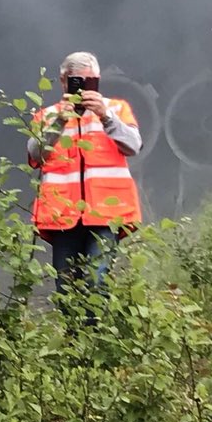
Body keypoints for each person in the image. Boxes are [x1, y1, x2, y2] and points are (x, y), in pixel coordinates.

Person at [27, 51, 142, 293]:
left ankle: (97, 331)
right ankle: (75, 332)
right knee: (65, 288)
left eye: (90, 82)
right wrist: (60, 119)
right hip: (62, 215)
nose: (84, 88)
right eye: (77, 81)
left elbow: (134, 145)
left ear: (98, 80)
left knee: (95, 281)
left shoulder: (116, 108)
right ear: (63, 82)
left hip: (107, 213)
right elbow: (36, 154)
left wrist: (105, 116)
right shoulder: (47, 115)